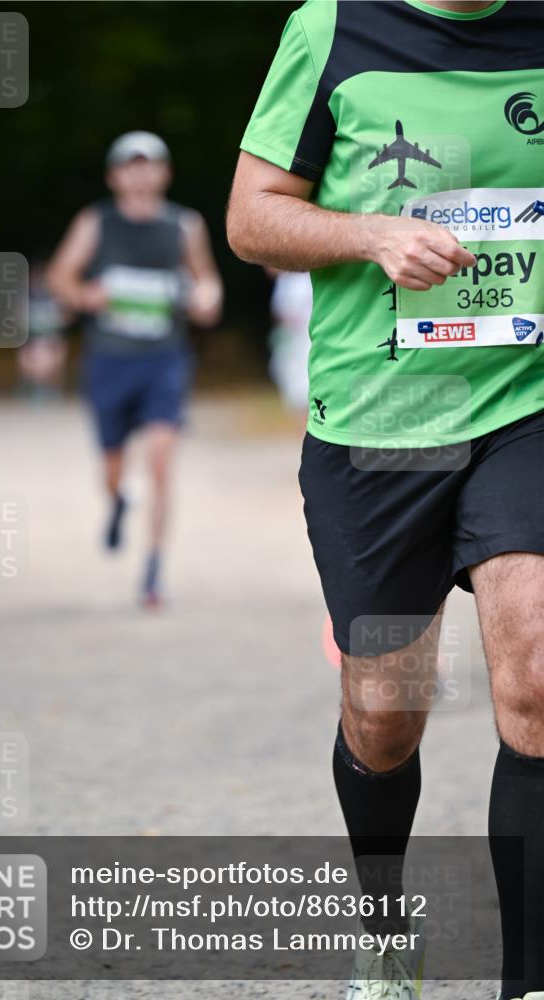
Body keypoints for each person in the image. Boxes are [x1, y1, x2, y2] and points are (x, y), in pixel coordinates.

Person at [227, 2, 543, 998]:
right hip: (379, 423)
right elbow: (251, 217)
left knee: (535, 671)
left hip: (523, 403)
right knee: (384, 708)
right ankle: (381, 926)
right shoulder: (333, 29)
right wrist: (369, 234)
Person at [48, 131, 223, 607]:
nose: (141, 172)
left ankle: (153, 569)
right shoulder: (95, 222)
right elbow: (60, 277)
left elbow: (206, 282)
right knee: (112, 468)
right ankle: (118, 499)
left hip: (164, 358)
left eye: (150, 164)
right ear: (114, 175)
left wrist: (206, 298)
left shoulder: (185, 225)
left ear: (165, 173)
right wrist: (86, 295)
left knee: (162, 459)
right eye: (131, 164)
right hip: (108, 359)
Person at [266, 268, 313, 428]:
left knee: (304, 396)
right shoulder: (284, 281)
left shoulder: (300, 280)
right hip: (292, 346)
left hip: (304, 346)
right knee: (296, 398)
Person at [17, 262, 69, 402]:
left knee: (56, 354)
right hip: (33, 339)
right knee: (27, 356)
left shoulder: (54, 298)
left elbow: (64, 319)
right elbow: (20, 320)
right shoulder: (26, 298)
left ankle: (53, 389)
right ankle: (32, 387)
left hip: (51, 338)